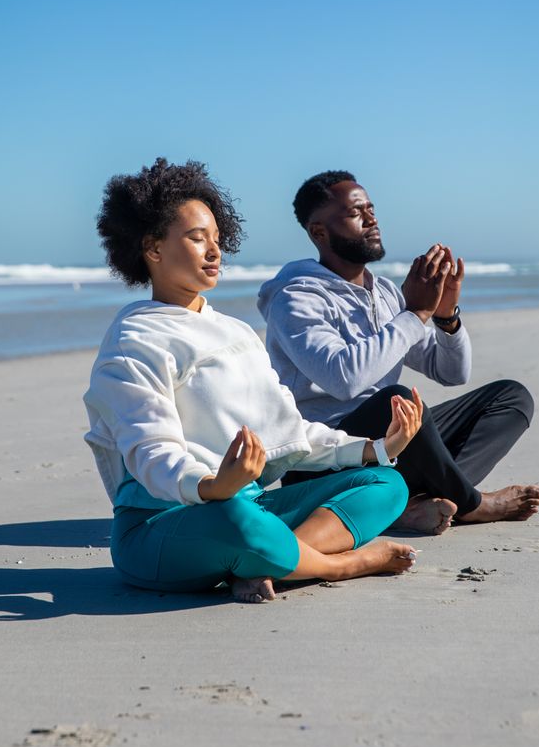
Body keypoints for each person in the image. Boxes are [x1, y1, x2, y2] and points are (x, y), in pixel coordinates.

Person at [84, 158, 424, 604]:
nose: (214, 252)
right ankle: (341, 564)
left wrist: (377, 448)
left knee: (386, 484)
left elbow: (291, 431)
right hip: (163, 525)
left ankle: (274, 562)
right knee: (236, 523)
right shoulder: (134, 338)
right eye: (196, 238)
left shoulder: (237, 332)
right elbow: (150, 451)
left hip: (249, 506)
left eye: (217, 240)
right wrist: (213, 486)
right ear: (152, 248)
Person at [257, 170, 539, 533]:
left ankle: (414, 501)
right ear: (319, 232)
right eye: (355, 212)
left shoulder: (387, 294)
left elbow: (451, 373)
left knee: (510, 397)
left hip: (390, 442)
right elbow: (343, 379)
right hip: (323, 458)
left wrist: (445, 319)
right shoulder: (296, 298)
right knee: (398, 401)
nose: (371, 219)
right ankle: (471, 503)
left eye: (371, 209)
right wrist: (416, 314)